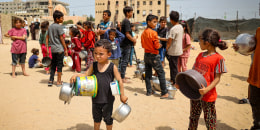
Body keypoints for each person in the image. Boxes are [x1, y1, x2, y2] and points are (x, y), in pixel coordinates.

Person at [70, 39, 128, 130]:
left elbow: (120, 81)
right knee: (96, 118)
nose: (97, 56)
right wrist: (76, 75)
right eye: (95, 53)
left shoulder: (112, 67)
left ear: (109, 54)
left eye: (101, 54)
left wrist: (122, 95)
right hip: (95, 98)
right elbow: (86, 75)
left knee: (108, 118)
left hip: (108, 99)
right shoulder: (94, 65)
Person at [175, 29, 228, 129]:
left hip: (208, 96)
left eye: (200, 41)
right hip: (195, 93)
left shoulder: (219, 59)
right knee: (193, 118)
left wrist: (207, 89)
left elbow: (217, 78)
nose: (198, 43)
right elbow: (192, 74)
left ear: (207, 43)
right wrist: (181, 84)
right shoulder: (200, 55)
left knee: (210, 120)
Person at [233, 28, 260, 129]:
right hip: (255, 75)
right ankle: (257, 126)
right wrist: (241, 47)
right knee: (254, 102)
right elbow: (251, 48)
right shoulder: (258, 31)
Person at [141, 14, 170, 98]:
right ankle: (164, 92)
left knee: (148, 73)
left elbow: (143, 45)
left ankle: (149, 91)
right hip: (154, 55)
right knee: (161, 73)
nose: (155, 24)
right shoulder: (154, 33)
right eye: (154, 22)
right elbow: (157, 45)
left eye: (156, 22)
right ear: (148, 22)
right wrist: (159, 46)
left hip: (146, 55)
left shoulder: (144, 33)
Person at [46, 10, 68, 87]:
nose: (63, 19)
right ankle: (58, 81)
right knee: (59, 66)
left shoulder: (50, 27)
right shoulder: (59, 27)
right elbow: (62, 38)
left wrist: (47, 47)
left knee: (53, 65)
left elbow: (47, 37)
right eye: (62, 18)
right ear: (57, 19)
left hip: (53, 49)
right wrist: (65, 49)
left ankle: (50, 80)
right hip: (59, 49)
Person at [120, 6, 136, 83]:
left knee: (123, 61)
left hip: (125, 43)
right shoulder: (126, 21)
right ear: (127, 13)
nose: (132, 13)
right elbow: (127, 34)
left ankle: (122, 75)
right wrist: (134, 40)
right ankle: (122, 78)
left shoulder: (125, 21)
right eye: (131, 12)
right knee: (125, 61)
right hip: (126, 44)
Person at [166, 11, 183, 84]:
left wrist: (167, 48)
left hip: (173, 51)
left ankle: (175, 81)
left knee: (173, 67)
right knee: (174, 66)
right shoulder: (181, 27)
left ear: (171, 19)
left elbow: (170, 40)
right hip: (178, 50)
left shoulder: (173, 29)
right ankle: (173, 80)